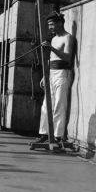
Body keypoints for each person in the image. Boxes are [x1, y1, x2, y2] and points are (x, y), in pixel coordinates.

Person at [31, 11, 76, 151]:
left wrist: (51, 48)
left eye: (52, 24)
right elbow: (51, 59)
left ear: (60, 23)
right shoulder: (54, 38)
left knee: (59, 104)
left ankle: (57, 135)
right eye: (49, 25)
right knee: (46, 105)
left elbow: (67, 57)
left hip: (63, 73)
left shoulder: (68, 38)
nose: (50, 27)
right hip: (52, 73)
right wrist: (46, 75)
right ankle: (44, 133)